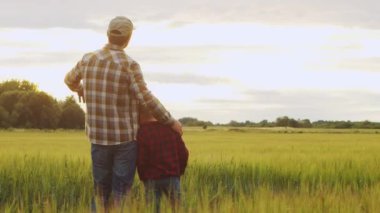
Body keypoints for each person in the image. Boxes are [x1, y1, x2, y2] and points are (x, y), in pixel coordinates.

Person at [64, 16, 183, 212]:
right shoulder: (129, 65)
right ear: (128, 39)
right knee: (120, 192)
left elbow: (69, 80)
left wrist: (80, 88)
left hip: (97, 139)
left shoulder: (88, 59)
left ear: (107, 34)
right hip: (124, 141)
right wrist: (170, 122)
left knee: (100, 191)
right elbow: (145, 98)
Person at [137, 108, 189, 213]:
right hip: (172, 177)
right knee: (178, 209)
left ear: (141, 117)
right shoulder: (171, 128)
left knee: (153, 210)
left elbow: (141, 159)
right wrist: (179, 172)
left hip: (151, 179)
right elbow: (184, 153)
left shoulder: (142, 132)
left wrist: (143, 177)